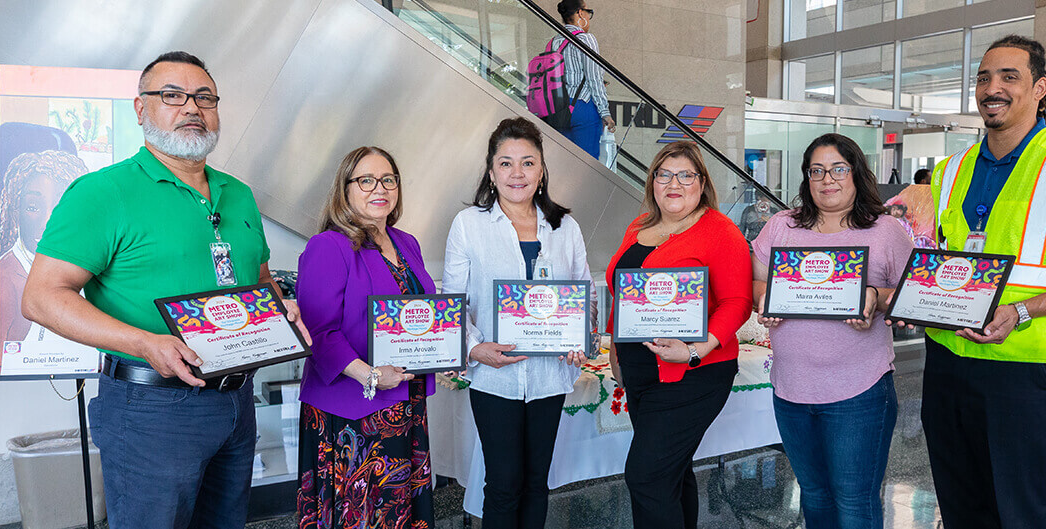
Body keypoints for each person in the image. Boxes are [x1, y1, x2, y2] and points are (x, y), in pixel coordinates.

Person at [22, 51, 308, 529]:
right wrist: (144, 342)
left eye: (204, 98)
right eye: (172, 96)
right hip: (151, 410)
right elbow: (42, 297)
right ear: (140, 109)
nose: (192, 108)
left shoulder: (237, 193)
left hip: (235, 402)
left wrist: (281, 306)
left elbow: (255, 281)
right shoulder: (101, 193)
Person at [888, 36, 1046, 528]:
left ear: (1040, 87)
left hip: (1024, 370)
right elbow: (940, 258)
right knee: (961, 507)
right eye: (983, 77)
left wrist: (1022, 311)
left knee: (1020, 512)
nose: (992, 88)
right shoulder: (950, 169)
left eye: (1009, 77)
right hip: (947, 363)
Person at [752, 133, 913, 528]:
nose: (828, 179)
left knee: (854, 502)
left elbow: (914, 293)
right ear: (806, 178)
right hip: (791, 389)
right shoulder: (782, 226)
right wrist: (766, 299)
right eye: (817, 170)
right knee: (815, 496)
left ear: (856, 173)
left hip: (859, 392)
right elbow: (758, 281)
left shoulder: (884, 231)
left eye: (839, 169)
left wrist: (874, 296)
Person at [443, 117, 591, 529]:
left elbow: (583, 291)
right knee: (504, 483)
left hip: (550, 375)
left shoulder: (565, 227)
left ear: (542, 169)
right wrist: (473, 347)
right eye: (506, 163)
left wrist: (581, 336)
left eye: (527, 162)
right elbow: (452, 300)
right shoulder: (469, 226)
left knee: (537, 483)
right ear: (491, 171)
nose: (517, 173)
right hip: (495, 378)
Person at [605, 141, 752, 529]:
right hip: (640, 374)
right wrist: (614, 353)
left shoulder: (720, 231)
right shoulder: (639, 226)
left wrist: (692, 351)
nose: (675, 183)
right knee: (671, 474)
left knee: (647, 476)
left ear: (702, 183)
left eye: (686, 175)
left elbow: (737, 302)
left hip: (692, 376)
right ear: (652, 182)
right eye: (664, 174)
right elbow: (622, 292)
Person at [295, 146, 438, 527]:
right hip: (352, 413)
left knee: (399, 512)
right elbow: (318, 332)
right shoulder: (329, 245)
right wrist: (371, 375)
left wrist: (443, 351)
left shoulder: (407, 242)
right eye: (366, 180)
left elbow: (423, 316)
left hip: (405, 404)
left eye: (388, 179)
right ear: (345, 189)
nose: (380, 188)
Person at [0, 150, 88, 347]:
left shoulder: (87, 267)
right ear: (15, 211)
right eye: (32, 207)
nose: (47, 221)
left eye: (59, 207)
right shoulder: (5, 277)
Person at [554, 0, 615, 158]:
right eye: (589, 12)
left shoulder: (555, 41)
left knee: (563, 162)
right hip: (582, 107)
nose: (589, 16)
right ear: (580, 13)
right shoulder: (587, 39)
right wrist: (605, 112)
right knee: (587, 164)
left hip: (558, 109)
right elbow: (594, 78)